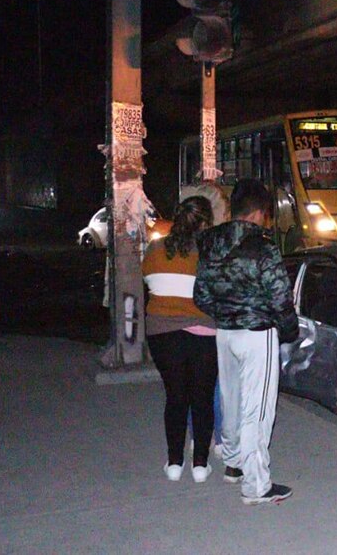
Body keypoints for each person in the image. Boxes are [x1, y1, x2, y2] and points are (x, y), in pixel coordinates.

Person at [194, 179, 298, 506]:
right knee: (257, 410)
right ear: (257, 213)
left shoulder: (210, 242)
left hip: (225, 333)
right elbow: (280, 296)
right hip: (258, 334)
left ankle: (234, 466)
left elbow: (201, 295)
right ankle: (257, 486)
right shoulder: (263, 245)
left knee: (232, 401)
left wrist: (225, 313)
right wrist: (289, 329)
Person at [142, 195, 218, 483]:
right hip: (203, 332)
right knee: (202, 397)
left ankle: (174, 463)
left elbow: (149, 279)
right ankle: (200, 465)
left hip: (162, 333)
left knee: (175, 396)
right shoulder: (209, 252)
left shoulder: (155, 248)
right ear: (205, 223)